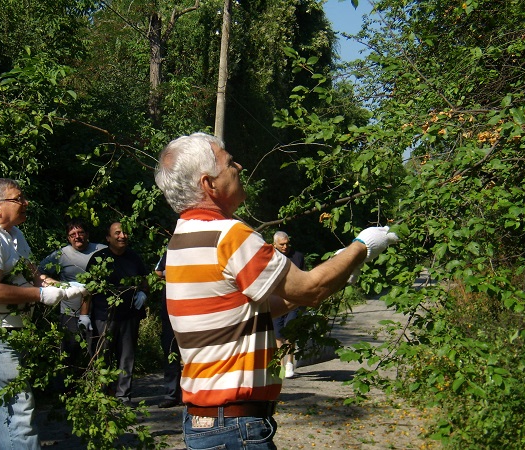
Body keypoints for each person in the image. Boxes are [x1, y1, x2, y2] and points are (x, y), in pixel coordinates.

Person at [154, 132, 399, 449]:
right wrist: (362, 247)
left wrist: (339, 269)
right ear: (209, 184)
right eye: (229, 162)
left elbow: (254, 310)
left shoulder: (181, 239)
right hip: (237, 426)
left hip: (204, 424)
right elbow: (310, 290)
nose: (239, 166)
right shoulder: (230, 235)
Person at [0, 178, 88, 450]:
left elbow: (32, 276)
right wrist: (40, 295)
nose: (25, 203)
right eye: (18, 199)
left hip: (8, 331)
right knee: (16, 414)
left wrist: (62, 288)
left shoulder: (13, 234)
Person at [85, 222, 148, 405]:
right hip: (104, 317)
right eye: (117, 233)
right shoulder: (99, 258)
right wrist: (84, 315)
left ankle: (123, 396)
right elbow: (88, 290)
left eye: (124, 232)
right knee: (102, 356)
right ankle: (102, 395)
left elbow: (145, 280)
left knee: (126, 357)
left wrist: (144, 293)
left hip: (129, 316)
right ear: (108, 238)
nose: (122, 236)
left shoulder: (134, 258)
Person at [38, 218, 106, 381]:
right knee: (69, 352)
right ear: (68, 238)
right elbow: (38, 274)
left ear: (87, 234)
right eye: (72, 234)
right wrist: (61, 285)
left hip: (98, 312)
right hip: (70, 312)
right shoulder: (61, 255)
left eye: (80, 232)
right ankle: (65, 388)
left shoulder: (101, 251)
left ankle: (99, 387)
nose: (77, 237)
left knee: (98, 351)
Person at [271, 231, 305, 378]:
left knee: (290, 333)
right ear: (274, 244)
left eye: (287, 243)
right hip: (276, 300)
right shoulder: (269, 257)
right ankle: (281, 365)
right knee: (278, 335)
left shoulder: (298, 256)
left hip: (294, 300)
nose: (285, 246)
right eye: (282, 244)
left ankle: (290, 362)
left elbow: (303, 278)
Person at [154, 252, 182, 408]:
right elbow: (158, 271)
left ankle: (190, 394)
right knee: (171, 352)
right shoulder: (171, 249)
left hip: (193, 309)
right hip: (170, 309)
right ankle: (171, 394)